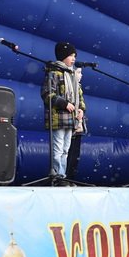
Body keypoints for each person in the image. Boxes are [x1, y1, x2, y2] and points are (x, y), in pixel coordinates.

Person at [42, 42, 82, 185]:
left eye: (74, 56)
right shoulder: (54, 73)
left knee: (66, 150)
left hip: (70, 119)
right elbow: (47, 94)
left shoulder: (72, 75)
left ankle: (62, 176)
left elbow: (79, 94)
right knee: (58, 149)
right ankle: (57, 176)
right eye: (71, 55)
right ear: (63, 56)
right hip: (58, 118)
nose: (73, 58)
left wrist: (81, 109)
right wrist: (64, 103)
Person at [65, 67, 87, 181]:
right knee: (66, 152)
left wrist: (81, 110)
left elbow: (81, 102)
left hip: (77, 124)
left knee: (75, 154)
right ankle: (63, 178)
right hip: (67, 123)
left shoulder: (78, 87)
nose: (81, 75)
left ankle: (70, 178)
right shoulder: (67, 85)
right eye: (78, 72)